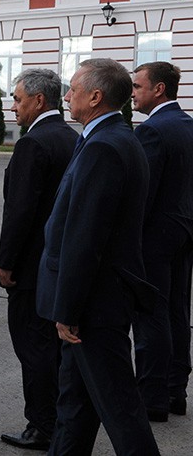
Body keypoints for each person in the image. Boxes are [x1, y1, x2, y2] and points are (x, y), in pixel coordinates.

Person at [36, 58, 159, 455]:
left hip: (94, 304)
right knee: (74, 407)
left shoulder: (105, 145)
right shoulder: (106, 137)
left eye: (73, 88)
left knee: (120, 410)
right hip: (95, 298)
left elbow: (85, 236)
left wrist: (67, 307)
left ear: (96, 95)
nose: (67, 95)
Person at [0, 69, 78, 451]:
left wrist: (6, 263)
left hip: (30, 267)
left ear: (39, 101)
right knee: (52, 348)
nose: (13, 106)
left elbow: (20, 211)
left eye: (17, 99)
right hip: (58, 261)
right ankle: (58, 420)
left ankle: (41, 425)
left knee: (33, 348)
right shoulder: (71, 137)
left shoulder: (34, 143)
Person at [131, 61, 193, 421]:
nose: (133, 93)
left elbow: (144, 193)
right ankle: (174, 392)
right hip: (184, 233)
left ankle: (153, 398)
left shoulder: (152, 130)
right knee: (176, 313)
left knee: (151, 316)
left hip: (155, 237)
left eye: (138, 86)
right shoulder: (187, 124)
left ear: (159, 90)